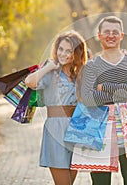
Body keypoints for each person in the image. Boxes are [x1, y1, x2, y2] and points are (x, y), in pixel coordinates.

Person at [79, 15, 127, 185]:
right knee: (100, 182)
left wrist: (105, 86)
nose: (111, 35)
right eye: (106, 32)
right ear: (99, 35)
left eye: (115, 32)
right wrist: (126, 90)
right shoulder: (91, 66)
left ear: (121, 35)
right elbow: (88, 98)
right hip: (100, 132)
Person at [25, 30, 88, 185]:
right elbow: (29, 82)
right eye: (60, 49)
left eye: (68, 51)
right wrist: (47, 67)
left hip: (76, 130)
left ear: (76, 53)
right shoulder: (51, 73)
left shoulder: (77, 75)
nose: (63, 54)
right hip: (56, 129)